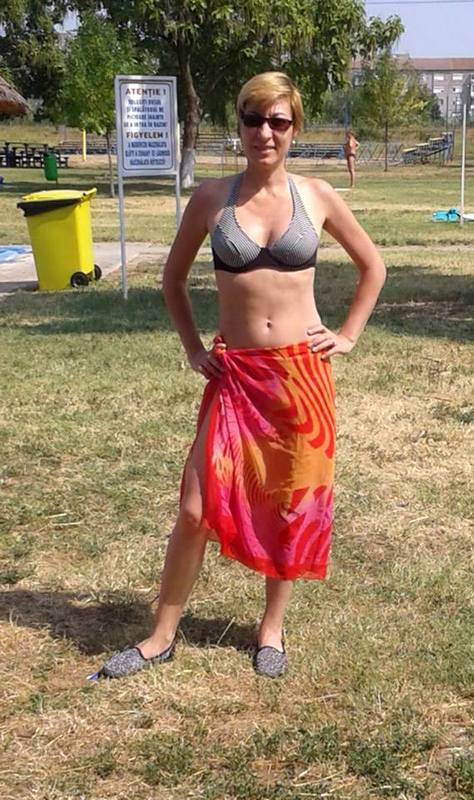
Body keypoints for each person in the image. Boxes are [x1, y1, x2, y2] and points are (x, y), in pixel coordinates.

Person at [98, 72, 385, 681]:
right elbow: (173, 279)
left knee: (290, 505)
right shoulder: (212, 199)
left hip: (301, 379)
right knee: (195, 508)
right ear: (240, 126)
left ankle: (271, 629)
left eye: (278, 121)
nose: (264, 133)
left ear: (295, 128)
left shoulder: (317, 196)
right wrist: (192, 347)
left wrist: (347, 335)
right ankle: (160, 636)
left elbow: (373, 267)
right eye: (253, 120)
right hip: (236, 377)